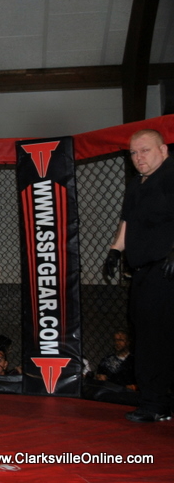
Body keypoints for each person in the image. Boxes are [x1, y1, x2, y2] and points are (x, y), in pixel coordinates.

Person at [104, 128, 174, 423]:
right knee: (145, 334)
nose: (138, 157)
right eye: (133, 152)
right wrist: (115, 250)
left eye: (145, 150)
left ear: (163, 150)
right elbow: (127, 221)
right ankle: (155, 402)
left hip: (166, 268)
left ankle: (157, 402)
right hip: (143, 271)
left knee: (161, 335)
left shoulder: (170, 175)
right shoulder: (136, 184)